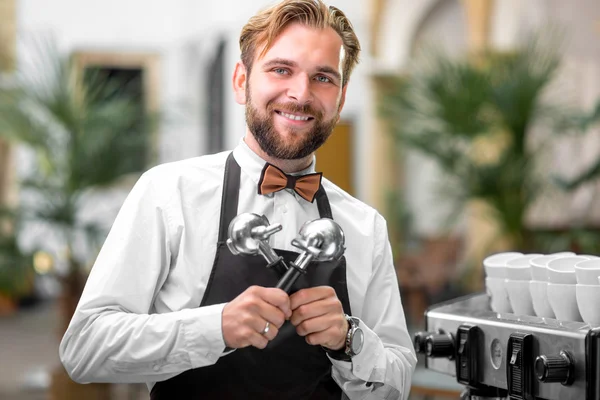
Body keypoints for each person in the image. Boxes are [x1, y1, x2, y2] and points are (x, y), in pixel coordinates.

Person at [59, 0, 417, 398]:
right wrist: (216, 327)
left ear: (341, 99)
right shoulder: (168, 192)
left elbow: (398, 383)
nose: (300, 94)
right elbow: (84, 349)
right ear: (240, 81)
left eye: (323, 78)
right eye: (281, 69)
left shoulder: (365, 226)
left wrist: (350, 341)